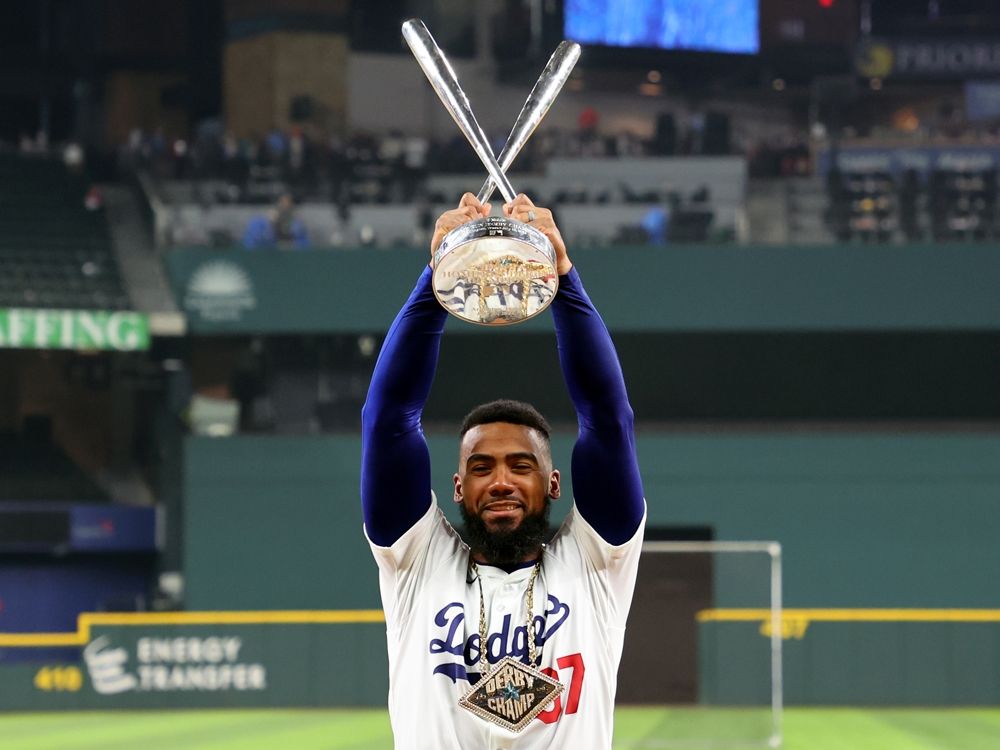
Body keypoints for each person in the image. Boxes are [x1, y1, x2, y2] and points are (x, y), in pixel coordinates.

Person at [361, 192, 645, 748]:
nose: (502, 481)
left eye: (522, 466)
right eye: (482, 467)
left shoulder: (597, 561)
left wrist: (562, 276)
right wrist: (437, 276)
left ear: (553, 483)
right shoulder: (416, 559)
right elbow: (389, 419)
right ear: (459, 487)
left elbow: (607, 421)